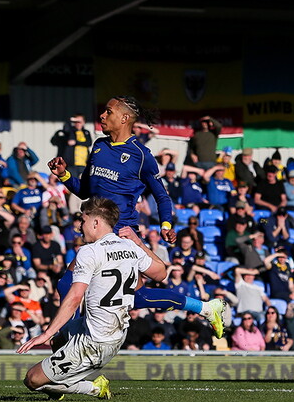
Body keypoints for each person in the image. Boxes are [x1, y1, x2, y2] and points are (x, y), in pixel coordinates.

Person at [47, 95, 224, 337]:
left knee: (70, 285)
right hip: (97, 231)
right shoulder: (99, 146)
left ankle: (70, 339)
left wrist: (165, 225)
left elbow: (162, 196)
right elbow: (86, 190)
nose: (102, 116)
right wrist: (64, 175)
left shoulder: (141, 155)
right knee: (134, 297)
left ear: (124, 118)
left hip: (120, 234)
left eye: (108, 112)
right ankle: (206, 308)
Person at [17, 197, 169, 400]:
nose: (79, 226)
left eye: (83, 220)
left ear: (96, 222)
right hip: (112, 331)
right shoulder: (130, 247)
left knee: (32, 379)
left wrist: (45, 333)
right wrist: (140, 243)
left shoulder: (89, 251)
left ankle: (94, 388)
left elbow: (75, 297)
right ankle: (60, 382)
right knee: (58, 340)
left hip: (95, 342)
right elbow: (161, 273)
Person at [51, 114, 92, 181]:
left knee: (84, 182)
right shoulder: (71, 132)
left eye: (79, 122)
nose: (78, 123)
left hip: (84, 163)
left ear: (83, 122)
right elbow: (66, 128)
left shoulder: (86, 132)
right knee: (73, 181)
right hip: (72, 164)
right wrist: (71, 120)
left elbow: (89, 143)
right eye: (76, 122)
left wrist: (76, 142)